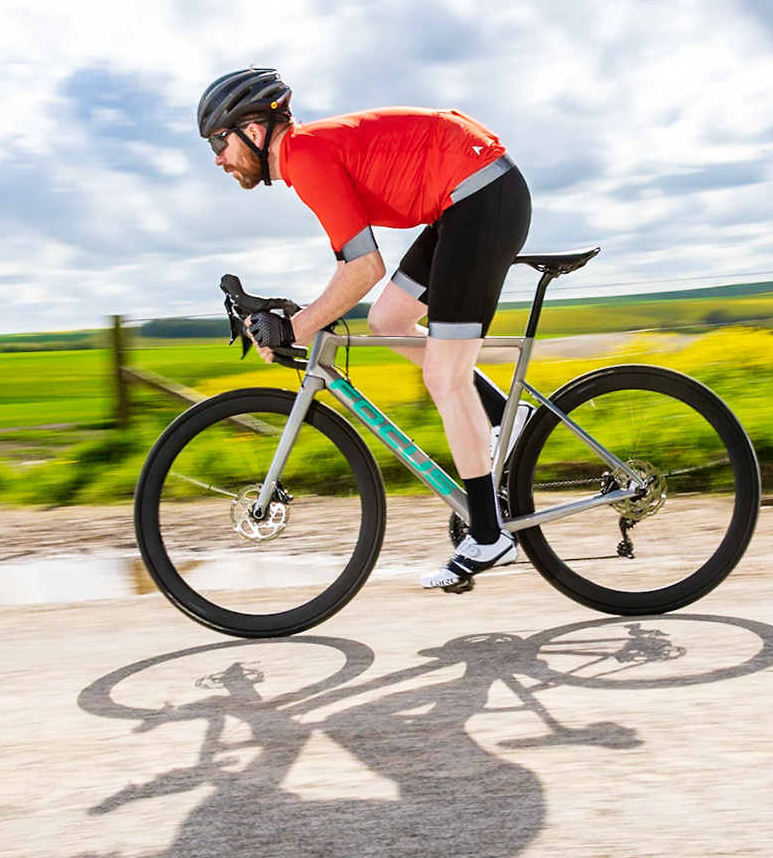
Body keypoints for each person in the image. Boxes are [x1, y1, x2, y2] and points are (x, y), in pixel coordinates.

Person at [197, 67, 531, 591]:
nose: (217, 157)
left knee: (446, 377)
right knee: (388, 320)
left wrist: (295, 329)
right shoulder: (309, 155)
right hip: (462, 199)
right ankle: (505, 414)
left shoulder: (304, 154)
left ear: (255, 132)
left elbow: (363, 269)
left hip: (481, 195)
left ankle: (488, 535)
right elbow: (357, 271)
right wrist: (298, 320)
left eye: (219, 141)